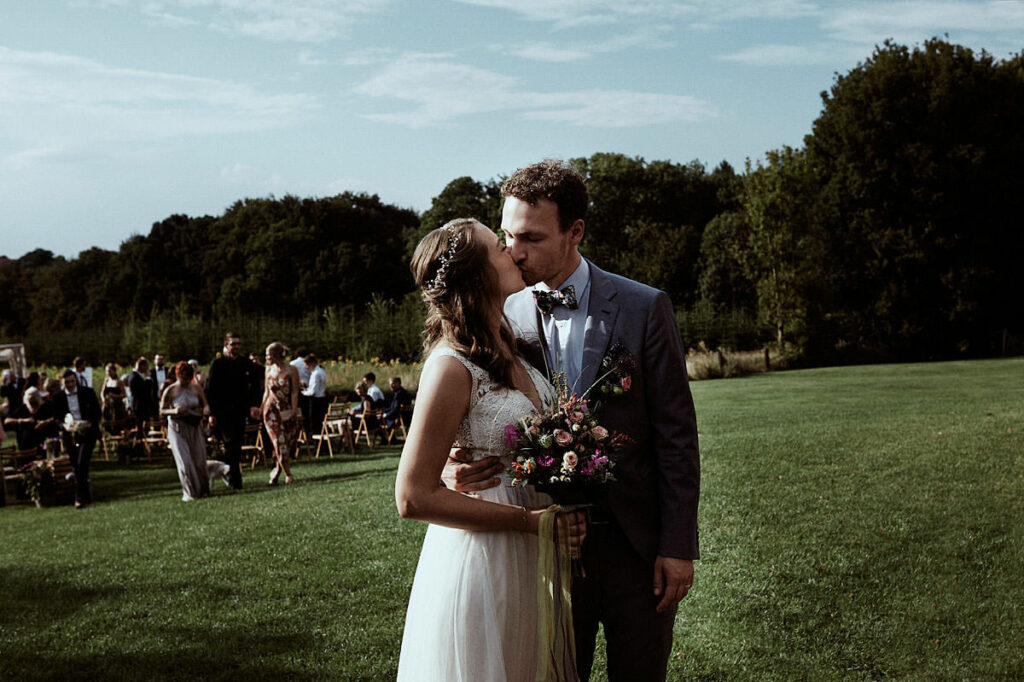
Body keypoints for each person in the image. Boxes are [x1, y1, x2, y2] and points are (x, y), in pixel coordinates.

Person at [445, 160, 701, 681]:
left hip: (637, 544)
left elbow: (676, 435)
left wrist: (677, 546)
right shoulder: (500, 314)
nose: (515, 251)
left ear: (575, 231)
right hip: (539, 547)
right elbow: (470, 406)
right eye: (508, 236)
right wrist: (455, 463)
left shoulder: (644, 307)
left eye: (532, 238)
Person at [395, 218, 586, 681]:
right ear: (477, 273)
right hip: (482, 555)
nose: (514, 252)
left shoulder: (512, 345)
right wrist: (529, 523)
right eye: (500, 247)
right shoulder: (449, 365)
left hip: (530, 556)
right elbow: (411, 496)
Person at [206, 332, 261, 489]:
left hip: (240, 411)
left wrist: (254, 404)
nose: (236, 347)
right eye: (233, 344)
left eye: (238, 344)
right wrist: (212, 413)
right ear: (226, 345)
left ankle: (232, 477)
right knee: (229, 445)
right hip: (222, 412)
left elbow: (258, 379)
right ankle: (234, 479)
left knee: (235, 445)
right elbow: (211, 390)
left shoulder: (245, 363)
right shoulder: (217, 364)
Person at [160, 361, 210, 501]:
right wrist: (174, 410)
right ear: (178, 376)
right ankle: (190, 493)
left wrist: (206, 410)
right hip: (177, 428)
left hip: (194, 425)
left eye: (188, 379)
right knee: (185, 461)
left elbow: (205, 404)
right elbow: (161, 410)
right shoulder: (170, 390)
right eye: (183, 379)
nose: (186, 382)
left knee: (199, 460)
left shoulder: (196, 388)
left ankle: (204, 490)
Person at [52, 369, 102, 509]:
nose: (70, 385)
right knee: (76, 465)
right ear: (62, 382)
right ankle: (86, 494)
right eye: (67, 382)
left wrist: (89, 423)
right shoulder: (58, 397)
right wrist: (64, 426)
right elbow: (56, 418)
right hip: (70, 434)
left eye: (72, 381)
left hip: (87, 432)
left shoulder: (87, 392)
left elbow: (97, 412)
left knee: (82, 462)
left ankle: (78, 498)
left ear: (76, 381)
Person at [262, 342, 300, 486]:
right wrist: (260, 408)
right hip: (271, 411)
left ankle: (277, 471)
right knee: (279, 442)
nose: (266, 358)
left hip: (287, 410)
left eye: (268, 355)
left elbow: (295, 391)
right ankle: (288, 475)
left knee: (287, 444)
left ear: (276, 355)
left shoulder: (291, 370)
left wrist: (294, 410)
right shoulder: (268, 370)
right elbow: (266, 391)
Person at [4, 386, 57, 453]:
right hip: (26, 447)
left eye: (35, 402)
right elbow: (7, 421)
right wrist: (23, 421)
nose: (33, 405)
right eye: (31, 402)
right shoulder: (23, 409)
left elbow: (55, 417)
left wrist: (45, 422)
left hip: (44, 444)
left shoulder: (45, 407)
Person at [302, 353, 329, 438]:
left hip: (317, 401)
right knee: (321, 422)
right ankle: (323, 444)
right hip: (323, 399)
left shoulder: (315, 373)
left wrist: (304, 393)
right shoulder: (321, 371)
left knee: (316, 423)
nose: (306, 367)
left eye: (307, 364)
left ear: (312, 363)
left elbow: (313, 391)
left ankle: (319, 445)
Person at [128, 357, 155, 439]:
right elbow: (145, 391)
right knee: (141, 428)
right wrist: (148, 378)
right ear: (142, 366)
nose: (147, 369)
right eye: (146, 366)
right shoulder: (134, 377)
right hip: (139, 407)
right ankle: (139, 446)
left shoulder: (136, 376)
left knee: (143, 428)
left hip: (141, 406)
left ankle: (142, 445)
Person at [290, 347, 312, 436]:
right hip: (308, 389)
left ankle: (298, 432)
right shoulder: (308, 363)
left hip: (297, 389)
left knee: (299, 412)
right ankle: (307, 432)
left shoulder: (293, 363)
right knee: (307, 412)